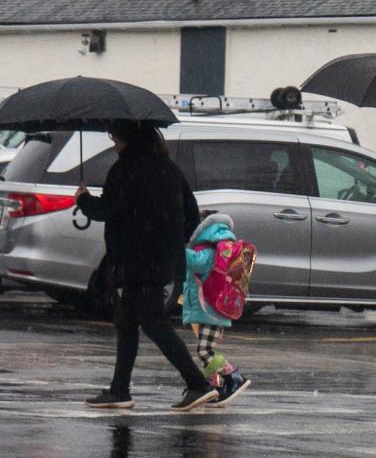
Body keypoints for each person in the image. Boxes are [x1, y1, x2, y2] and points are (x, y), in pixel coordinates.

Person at [76, 120, 218, 412]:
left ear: (125, 138)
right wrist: (171, 238)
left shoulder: (126, 169)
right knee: (126, 321)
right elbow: (191, 212)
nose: (113, 143)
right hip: (160, 257)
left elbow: (108, 209)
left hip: (135, 259)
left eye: (114, 137)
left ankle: (197, 384)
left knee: (153, 322)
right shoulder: (168, 168)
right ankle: (119, 390)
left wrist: (83, 200)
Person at [182, 211, 251, 407]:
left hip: (210, 308)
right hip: (214, 306)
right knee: (205, 350)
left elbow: (194, 261)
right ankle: (216, 388)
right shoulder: (220, 246)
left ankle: (234, 376)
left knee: (205, 351)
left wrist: (175, 248)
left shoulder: (210, 248)